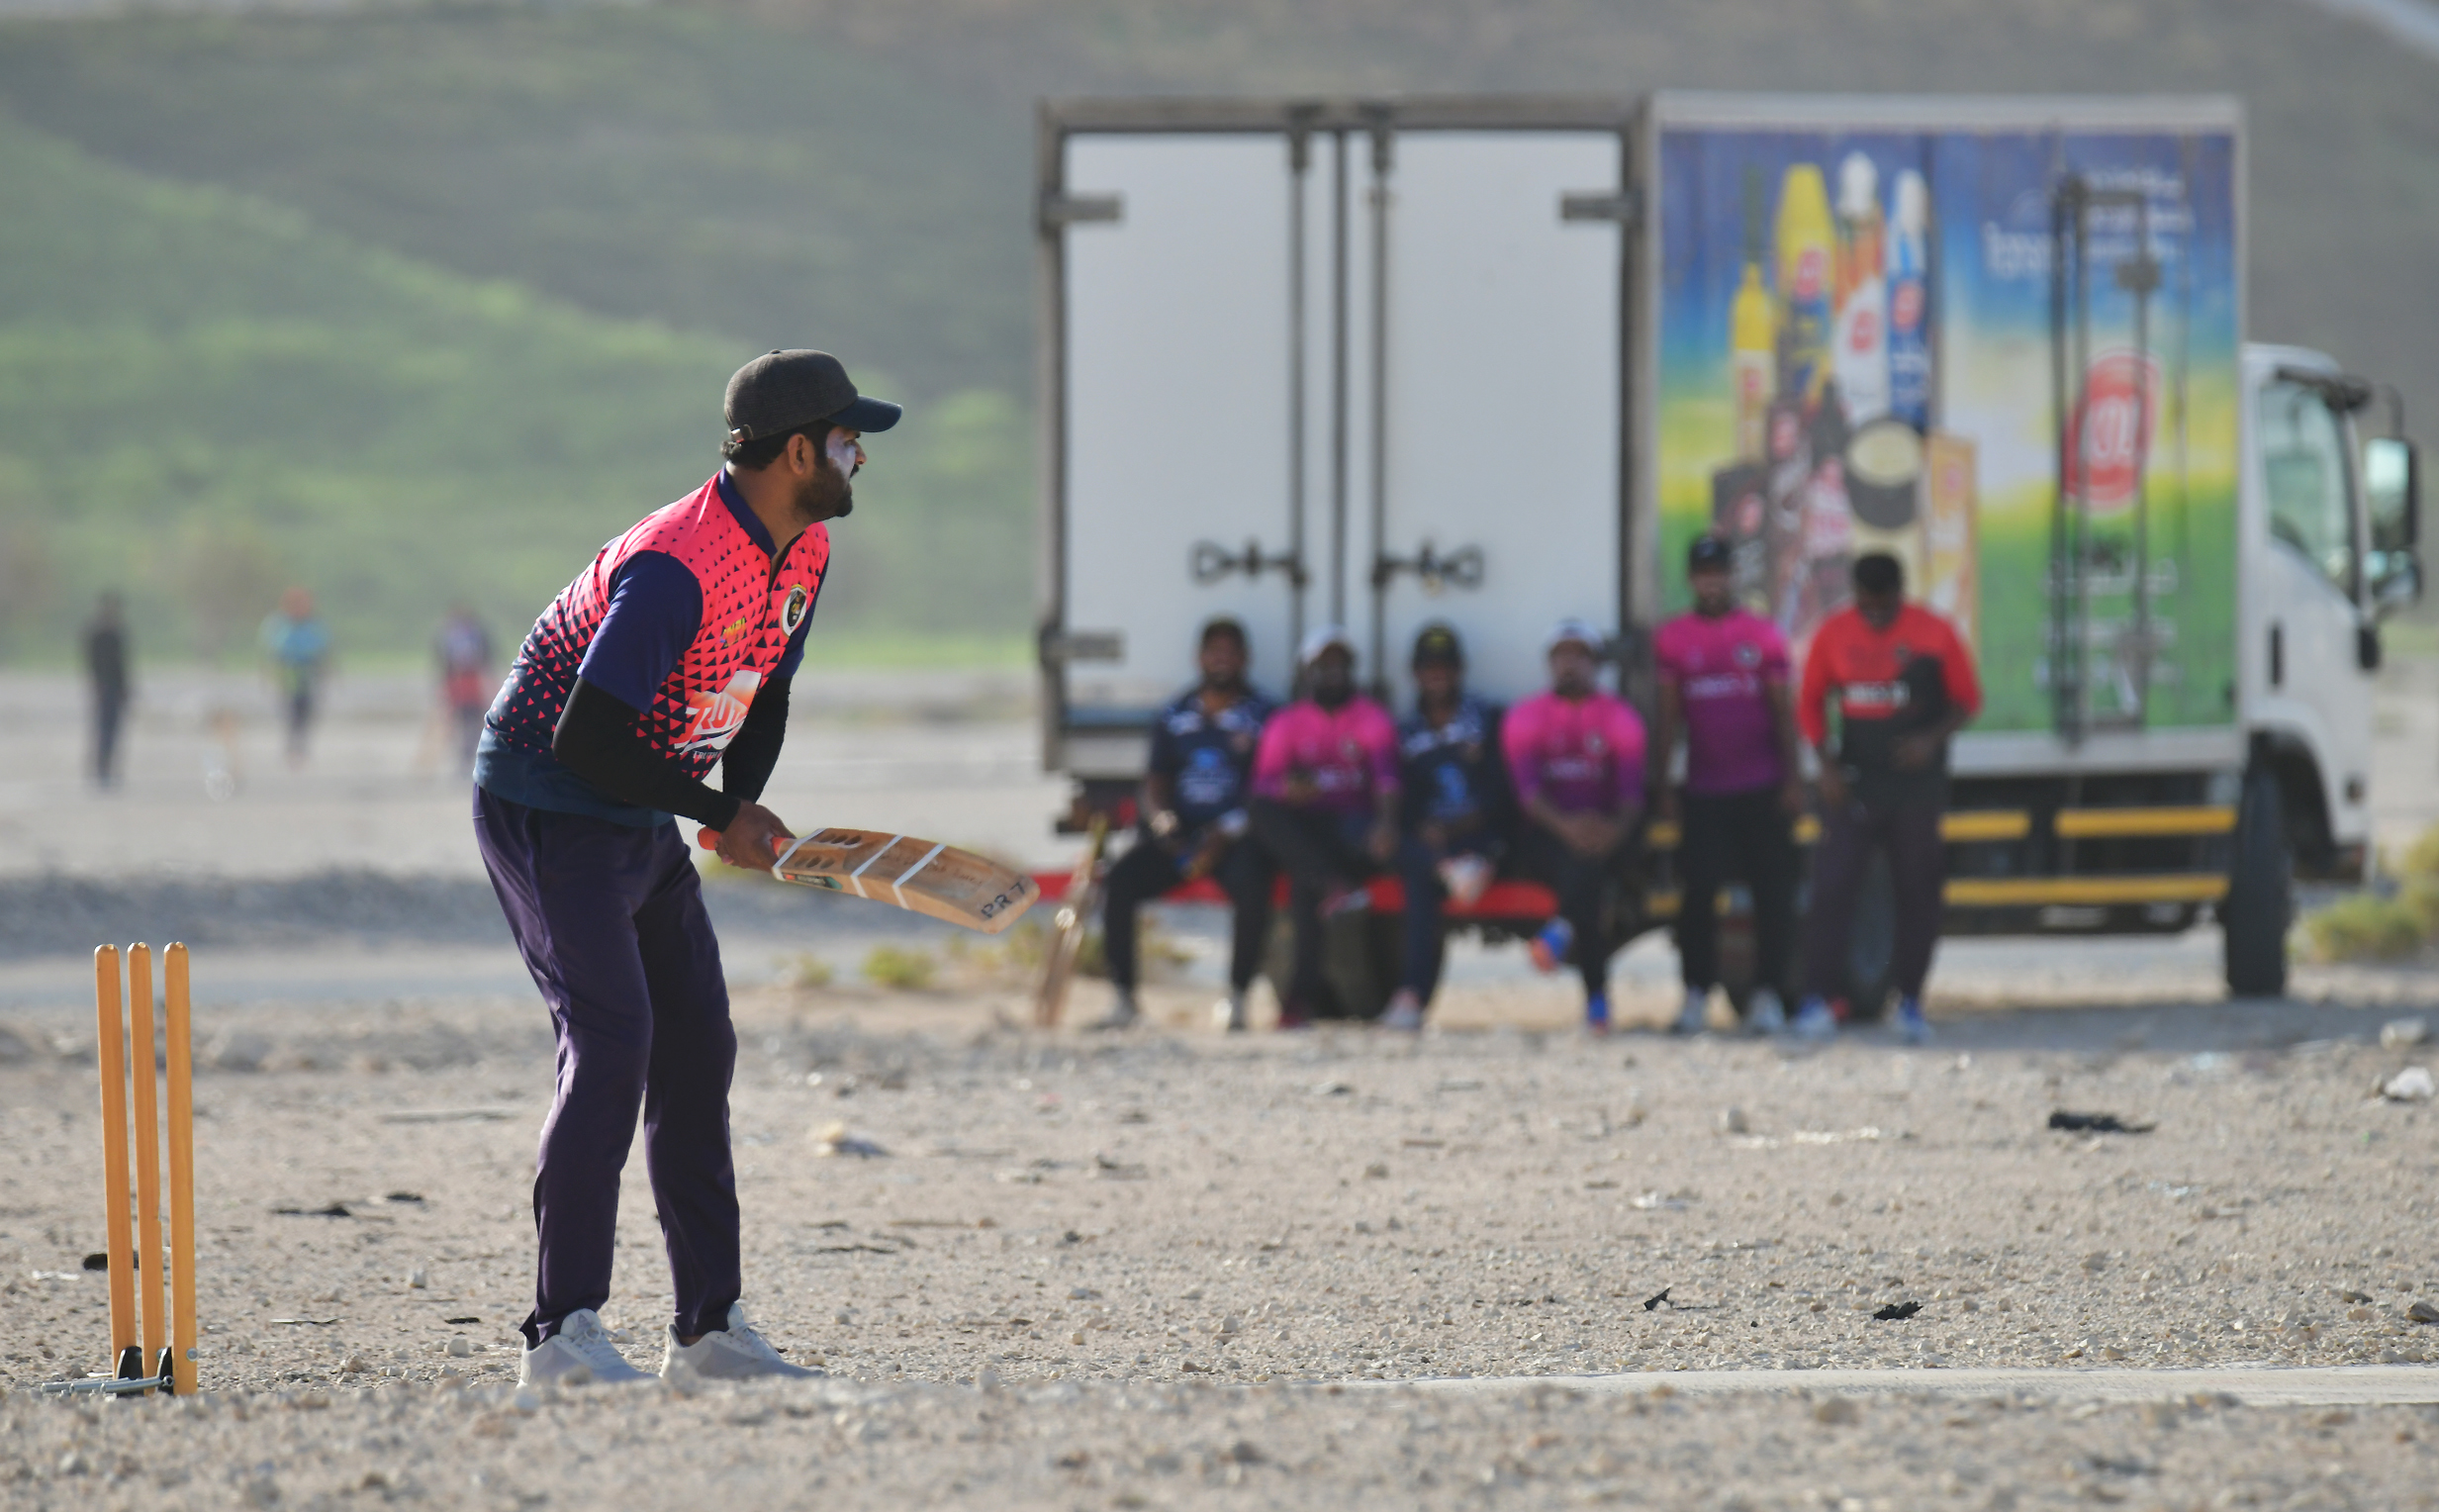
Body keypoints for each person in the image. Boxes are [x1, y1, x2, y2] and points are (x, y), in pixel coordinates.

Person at [471, 348, 897, 1386]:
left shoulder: (802, 552)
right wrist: (714, 811)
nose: (857, 459)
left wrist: (734, 811)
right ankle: (560, 1334)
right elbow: (584, 738)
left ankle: (707, 1332)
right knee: (612, 1042)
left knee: (698, 1048)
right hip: (548, 801)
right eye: (847, 441)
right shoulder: (676, 563)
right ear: (795, 449)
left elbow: (765, 694)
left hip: (639, 811)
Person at [1792, 551, 1981, 1045]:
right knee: (1832, 889)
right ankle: (1816, 1001)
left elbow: (1967, 700)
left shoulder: (1933, 633)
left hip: (1916, 789)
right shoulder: (1834, 633)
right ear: (1855, 596)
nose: (1875, 615)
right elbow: (1810, 701)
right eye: (1867, 605)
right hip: (1856, 783)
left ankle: (1912, 1002)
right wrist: (1825, 764)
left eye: (1884, 605)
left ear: (1900, 593)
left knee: (1917, 891)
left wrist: (1930, 740)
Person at [1650, 535, 1805, 1036]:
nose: (1712, 582)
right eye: (1703, 573)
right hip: (1705, 788)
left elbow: (1783, 713)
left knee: (1772, 894)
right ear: (1692, 579)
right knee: (1698, 895)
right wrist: (1664, 786)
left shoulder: (1760, 635)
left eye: (1720, 572)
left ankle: (1767, 994)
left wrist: (1792, 778)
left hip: (1760, 785)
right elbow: (1669, 717)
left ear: (1733, 576)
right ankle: (1696, 993)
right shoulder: (1675, 638)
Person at [1093, 616, 1277, 1033]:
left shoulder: (1263, 715)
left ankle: (1237, 998)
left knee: (1255, 884)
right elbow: (1155, 780)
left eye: (1230, 652)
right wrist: (1163, 823)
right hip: (1182, 840)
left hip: (1235, 837)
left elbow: (1268, 788)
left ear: (1244, 659)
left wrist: (1227, 831)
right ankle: (1123, 1000)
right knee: (1120, 880)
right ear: (1199, 658)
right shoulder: (1175, 714)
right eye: (1214, 651)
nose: (1221, 660)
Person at [1247, 626, 1399, 1027]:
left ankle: (1299, 1002)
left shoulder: (1372, 718)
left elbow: (1387, 781)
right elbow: (1264, 784)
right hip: (1308, 830)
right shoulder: (1287, 722)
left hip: (1354, 830)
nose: (1333, 672)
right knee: (1263, 811)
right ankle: (1332, 887)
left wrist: (1385, 824)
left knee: (1305, 882)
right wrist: (1289, 789)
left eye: (1340, 664)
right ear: (1306, 672)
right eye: (1323, 665)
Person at [1504, 619, 1646, 1034]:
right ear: (1550, 663)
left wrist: (1609, 833)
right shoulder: (1527, 716)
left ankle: (1564, 930)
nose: (1570, 665)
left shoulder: (1619, 717)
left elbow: (1631, 797)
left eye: (1580, 656)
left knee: (1588, 871)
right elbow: (1529, 796)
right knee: (1586, 880)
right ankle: (1597, 1000)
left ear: (1595, 664)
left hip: (1606, 834)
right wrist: (1570, 828)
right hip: (1549, 832)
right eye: (1562, 656)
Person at [1382, 623, 1511, 1031]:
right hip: (1436, 848)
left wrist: (1461, 830)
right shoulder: (1405, 733)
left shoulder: (1488, 720)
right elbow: (1400, 798)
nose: (1437, 675)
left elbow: (1504, 792)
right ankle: (1411, 997)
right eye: (1428, 667)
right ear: (1415, 673)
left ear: (1460, 670)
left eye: (1445, 667)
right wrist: (1428, 831)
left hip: (1484, 835)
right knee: (1414, 869)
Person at [259, 587, 330, 770]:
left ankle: (301, 748)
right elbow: (273, 652)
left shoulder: (314, 625)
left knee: (306, 712)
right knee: (291, 712)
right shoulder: (279, 625)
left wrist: (326, 674)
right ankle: (291, 749)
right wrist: (271, 676)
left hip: (309, 673)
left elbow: (322, 651)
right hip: (289, 673)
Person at [436, 604, 496, 768]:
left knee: (472, 719)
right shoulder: (451, 636)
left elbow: (486, 659)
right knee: (462, 721)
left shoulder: (474, 635)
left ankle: (469, 755)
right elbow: (445, 663)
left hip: (472, 681)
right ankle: (465, 756)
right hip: (459, 682)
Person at [83, 591, 131, 789]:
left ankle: (108, 768)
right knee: (104, 730)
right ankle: (101, 769)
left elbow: (123, 665)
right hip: (104, 689)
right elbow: (93, 664)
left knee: (113, 731)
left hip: (114, 689)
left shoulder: (116, 633)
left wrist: (125, 689)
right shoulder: (99, 634)